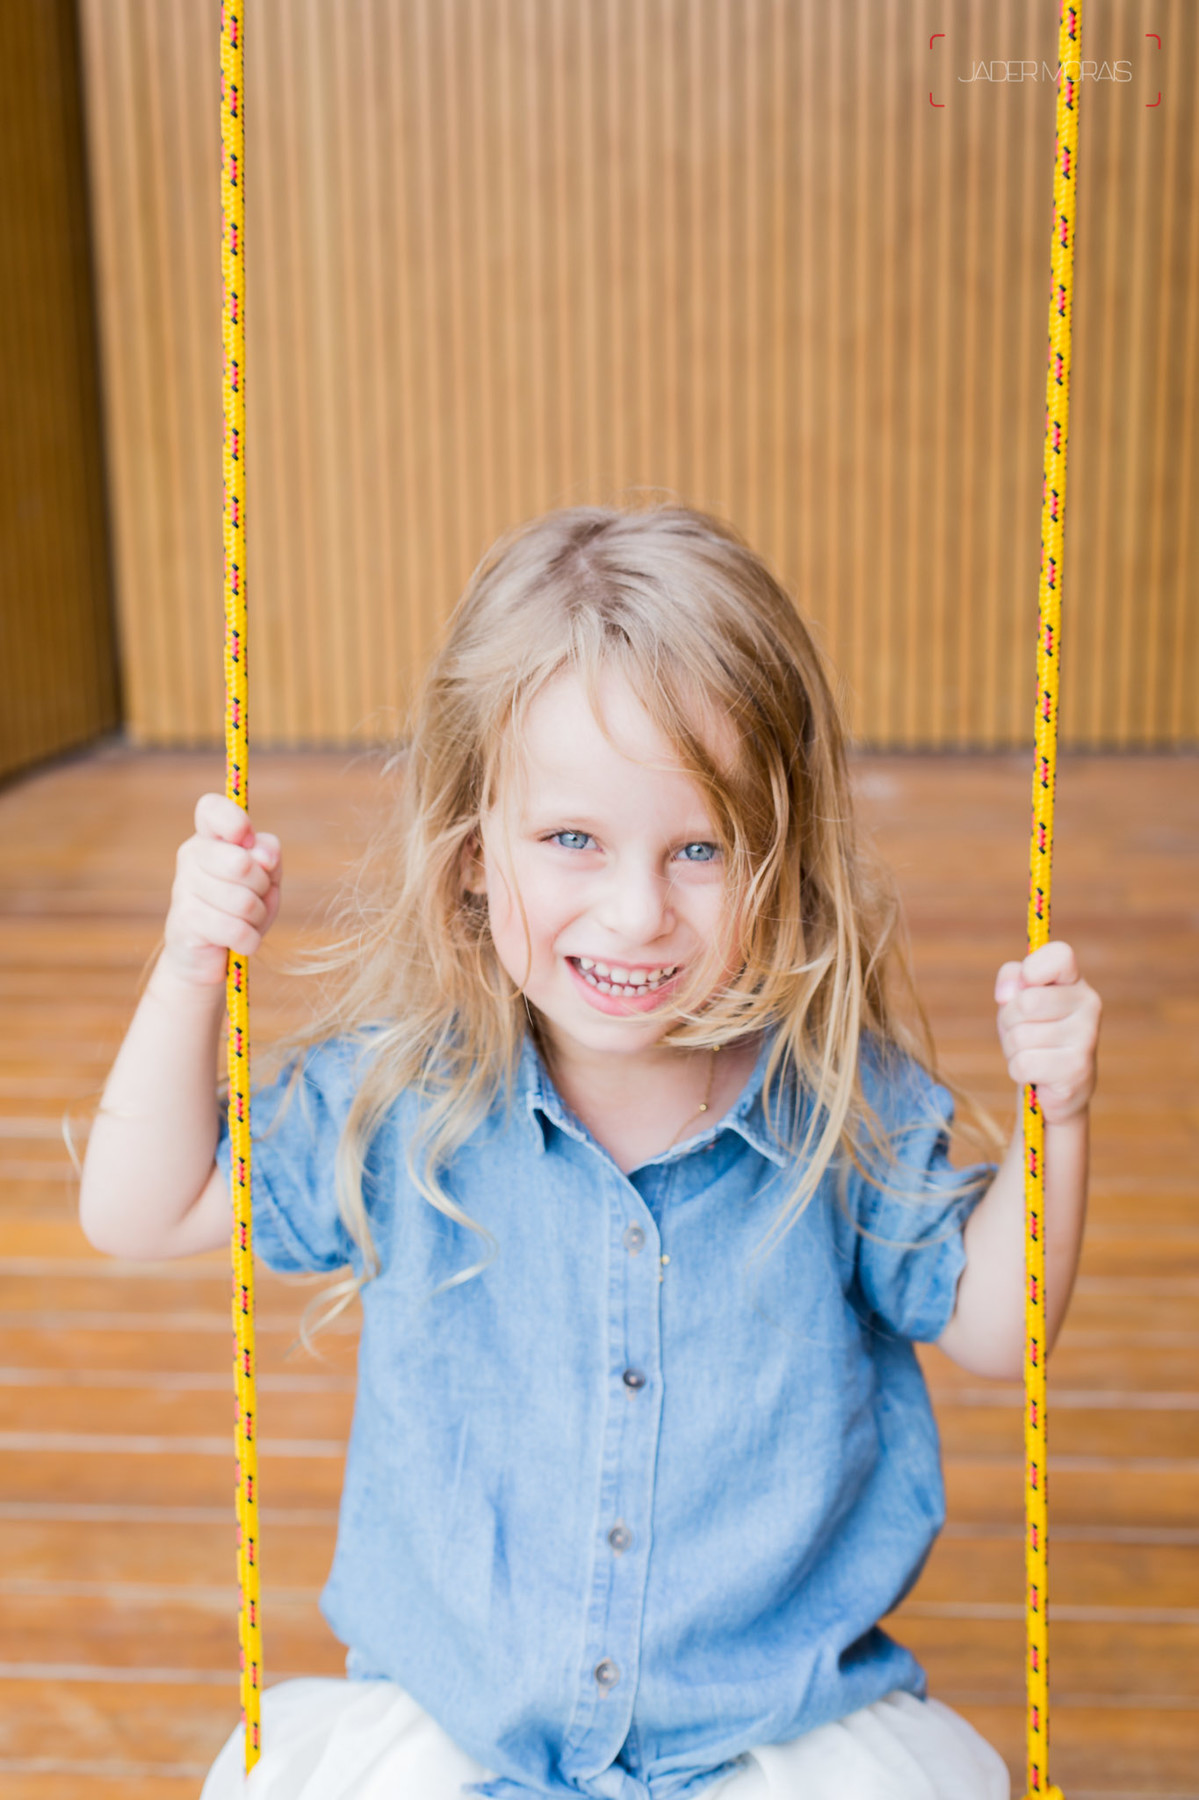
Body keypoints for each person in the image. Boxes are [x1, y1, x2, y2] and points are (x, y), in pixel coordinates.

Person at [80, 503, 1100, 1800]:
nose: (635, 913)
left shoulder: (839, 1107)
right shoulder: (408, 1094)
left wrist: (1055, 1119)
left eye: (700, 849)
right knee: (269, 1775)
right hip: (458, 1717)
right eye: (574, 840)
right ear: (470, 855)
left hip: (766, 1729)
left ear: (779, 864)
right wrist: (188, 962)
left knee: (938, 1781)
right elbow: (136, 1207)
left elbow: (998, 1333)